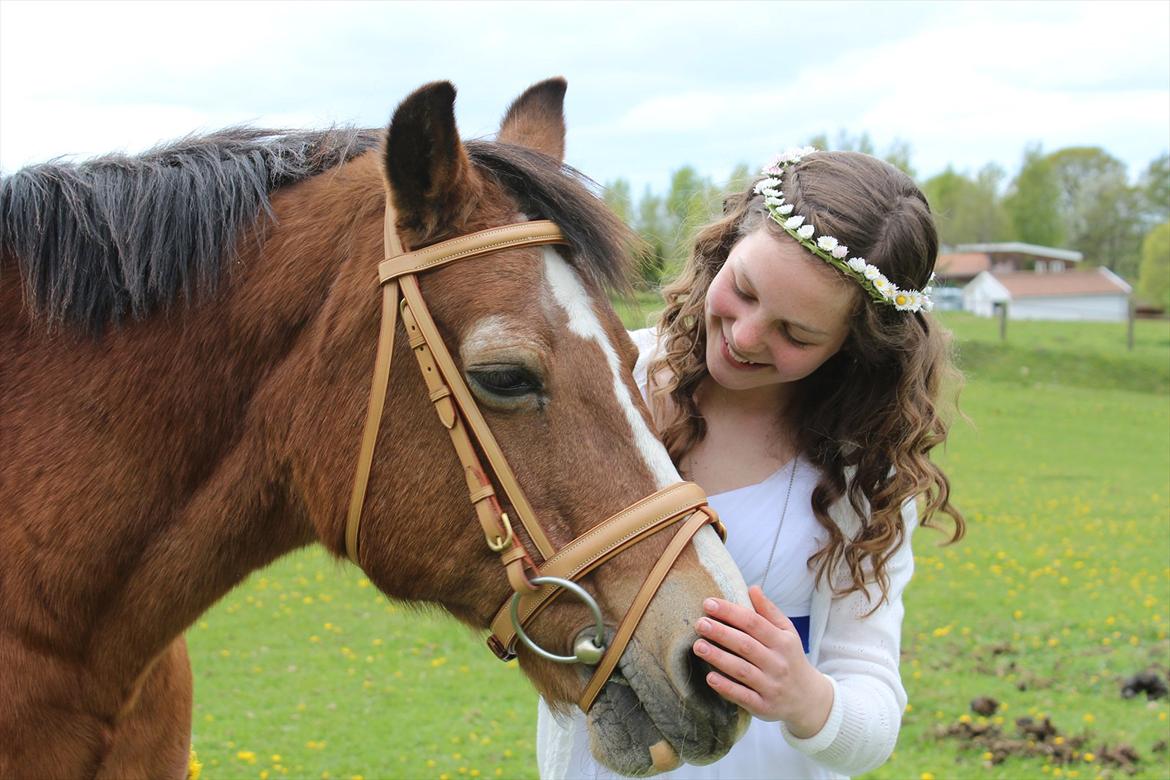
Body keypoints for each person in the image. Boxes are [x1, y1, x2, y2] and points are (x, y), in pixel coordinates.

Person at [537, 147, 965, 779]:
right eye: (742, 290)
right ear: (726, 246)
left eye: (796, 334)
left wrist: (804, 696)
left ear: (855, 346)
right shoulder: (608, 376)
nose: (743, 337)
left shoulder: (860, 470)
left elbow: (874, 719)